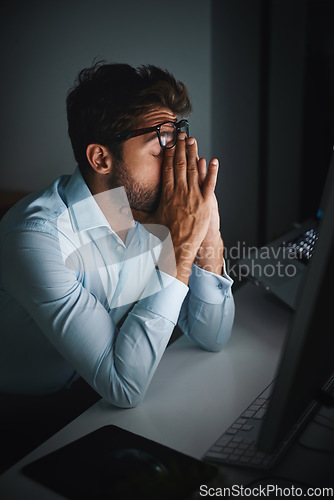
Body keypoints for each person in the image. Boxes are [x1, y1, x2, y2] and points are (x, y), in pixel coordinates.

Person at [0, 62, 234, 425]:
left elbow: (213, 334)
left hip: (98, 404)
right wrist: (182, 244)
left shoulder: (145, 207)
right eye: (159, 150)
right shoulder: (37, 241)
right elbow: (124, 387)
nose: (176, 162)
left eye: (176, 144)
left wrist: (209, 231)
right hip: (29, 416)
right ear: (101, 158)